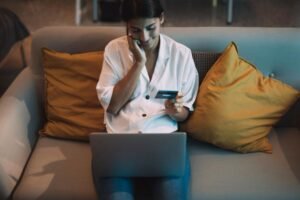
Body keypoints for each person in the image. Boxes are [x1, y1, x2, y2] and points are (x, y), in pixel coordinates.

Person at [95, 0, 199, 199]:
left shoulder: (181, 55)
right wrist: (138, 63)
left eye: (151, 28)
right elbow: (113, 106)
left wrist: (176, 111)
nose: (144, 38)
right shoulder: (113, 50)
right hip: (120, 143)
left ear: (161, 19)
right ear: (126, 26)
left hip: (164, 144)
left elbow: (185, 114)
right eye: (135, 30)